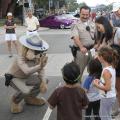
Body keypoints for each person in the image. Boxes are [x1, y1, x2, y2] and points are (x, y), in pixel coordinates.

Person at [4, 34, 49, 113]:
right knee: (25, 91)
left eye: (39, 51)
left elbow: (41, 70)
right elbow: (26, 70)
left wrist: (44, 82)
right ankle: (15, 100)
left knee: (44, 80)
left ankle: (30, 98)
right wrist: (40, 66)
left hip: (25, 77)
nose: (38, 53)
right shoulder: (20, 57)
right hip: (14, 77)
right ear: (28, 48)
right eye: (36, 51)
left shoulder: (38, 56)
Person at [95, 16, 120, 116]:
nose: (98, 29)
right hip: (113, 67)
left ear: (104, 24)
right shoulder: (106, 36)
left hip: (118, 67)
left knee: (118, 88)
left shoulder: (118, 32)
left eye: (98, 27)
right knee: (116, 89)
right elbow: (102, 49)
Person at [93, 46, 119, 120]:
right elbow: (108, 82)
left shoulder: (106, 71)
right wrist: (100, 82)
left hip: (107, 97)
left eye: (98, 55)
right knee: (106, 114)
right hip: (110, 96)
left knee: (104, 116)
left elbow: (108, 88)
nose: (97, 56)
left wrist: (96, 85)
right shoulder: (111, 67)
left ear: (102, 57)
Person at [71, 5, 96, 79]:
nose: (85, 16)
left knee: (93, 71)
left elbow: (96, 35)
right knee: (78, 71)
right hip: (82, 52)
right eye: (83, 14)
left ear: (89, 14)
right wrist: (81, 47)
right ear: (80, 13)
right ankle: (77, 88)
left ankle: (89, 87)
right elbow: (75, 37)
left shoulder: (92, 23)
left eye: (87, 14)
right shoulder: (75, 24)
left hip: (92, 50)